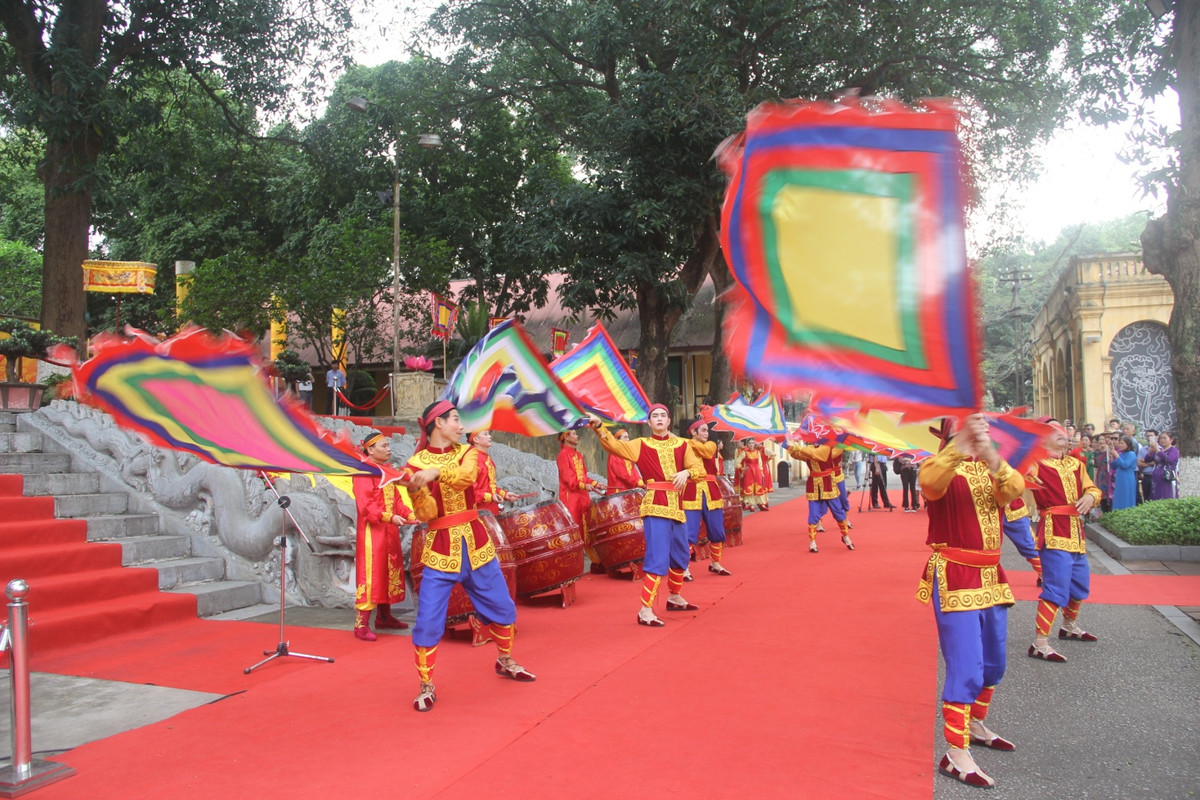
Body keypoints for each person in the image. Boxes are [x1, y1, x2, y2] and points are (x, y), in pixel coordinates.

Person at [402, 400, 536, 712]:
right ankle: (426, 684)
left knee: (501, 606)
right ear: (439, 423)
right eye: (456, 420)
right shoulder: (413, 464)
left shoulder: (467, 453)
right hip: (439, 550)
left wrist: (434, 472)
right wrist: (415, 489)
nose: (461, 427)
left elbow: (466, 479)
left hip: (476, 543)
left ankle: (505, 659)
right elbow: (427, 514)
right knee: (428, 618)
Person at [917, 414, 1024, 790]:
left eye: (985, 429)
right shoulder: (938, 466)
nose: (983, 434)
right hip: (956, 576)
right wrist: (961, 445)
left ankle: (975, 724)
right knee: (967, 667)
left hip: (993, 577)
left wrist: (992, 457)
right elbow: (929, 484)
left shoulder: (991, 469)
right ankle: (955, 751)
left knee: (994, 665)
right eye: (974, 428)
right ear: (952, 434)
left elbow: (1014, 489)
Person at [587, 405, 704, 627]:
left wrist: (688, 472)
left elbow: (698, 468)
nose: (659, 419)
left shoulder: (683, 444)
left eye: (663, 415)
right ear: (649, 423)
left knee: (681, 555)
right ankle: (645, 610)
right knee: (657, 557)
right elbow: (613, 445)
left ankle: (674, 596)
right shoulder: (641, 444)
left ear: (669, 421)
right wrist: (599, 426)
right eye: (654, 416)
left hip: (677, 507)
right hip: (655, 506)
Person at [1025, 419, 1102, 663]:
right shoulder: (1035, 464)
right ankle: (1040, 642)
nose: (1062, 435)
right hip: (1054, 531)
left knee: (1079, 585)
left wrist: (1091, 496)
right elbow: (1019, 481)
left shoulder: (1076, 464)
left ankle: (1069, 625)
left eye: (1063, 432)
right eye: (1054, 432)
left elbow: (1093, 489)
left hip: (1076, 533)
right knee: (1055, 588)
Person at [352, 432, 415, 641]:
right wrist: (389, 517)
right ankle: (361, 624)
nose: (389, 449)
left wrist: (409, 514)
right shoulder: (363, 472)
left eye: (388, 445)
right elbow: (366, 507)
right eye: (384, 446)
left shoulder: (385, 472)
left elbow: (396, 499)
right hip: (373, 533)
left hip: (389, 531)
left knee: (388, 572)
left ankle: (384, 616)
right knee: (372, 574)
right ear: (370, 450)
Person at [786, 434, 854, 553]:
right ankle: (812, 542)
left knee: (838, 511)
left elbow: (818, 455)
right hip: (814, 485)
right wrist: (788, 443)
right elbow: (796, 454)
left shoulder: (830, 447)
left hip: (828, 483)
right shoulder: (811, 449)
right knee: (813, 513)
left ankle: (845, 536)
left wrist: (796, 447)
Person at [681, 419, 732, 576]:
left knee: (716, 529)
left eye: (707, 430)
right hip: (691, 491)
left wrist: (682, 441)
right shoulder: (683, 447)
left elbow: (705, 452)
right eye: (702, 430)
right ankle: (684, 568)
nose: (706, 433)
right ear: (693, 432)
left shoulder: (711, 445)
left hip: (711, 491)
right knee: (689, 532)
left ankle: (716, 563)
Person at [557, 428, 603, 531]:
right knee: (576, 527)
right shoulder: (563, 455)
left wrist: (596, 484)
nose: (577, 436)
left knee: (588, 526)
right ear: (566, 437)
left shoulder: (578, 455)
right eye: (574, 434)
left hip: (583, 497)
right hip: (571, 499)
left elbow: (584, 476)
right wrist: (584, 485)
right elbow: (568, 478)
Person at [469, 430, 509, 516]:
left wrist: (505, 494)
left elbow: (489, 487)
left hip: (490, 510)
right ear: (476, 439)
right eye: (485, 434)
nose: (490, 436)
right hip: (479, 513)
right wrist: (490, 497)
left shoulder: (487, 458)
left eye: (489, 434)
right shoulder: (472, 459)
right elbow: (470, 492)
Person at [605, 429, 644, 493]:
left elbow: (633, 469)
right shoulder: (614, 455)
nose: (628, 440)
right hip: (618, 493)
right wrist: (639, 483)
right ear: (617, 440)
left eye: (628, 437)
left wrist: (640, 481)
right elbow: (623, 475)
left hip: (628, 490)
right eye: (625, 437)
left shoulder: (625, 453)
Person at [736, 438, 767, 511]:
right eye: (750, 443)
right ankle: (751, 504)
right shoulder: (744, 452)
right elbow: (737, 462)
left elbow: (760, 463)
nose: (751, 445)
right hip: (749, 471)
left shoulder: (757, 452)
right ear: (747, 444)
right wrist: (742, 468)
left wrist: (761, 472)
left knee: (759, 487)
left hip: (757, 471)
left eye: (753, 443)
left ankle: (761, 503)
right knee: (749, 488)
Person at [1110, 435, 1139, 511]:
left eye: (1122, 443)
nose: (1120, 445)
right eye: (1119, 443)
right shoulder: (1121, 454)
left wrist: (1116, 456)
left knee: (1126, 496)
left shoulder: (1131, 454)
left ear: (1128, 444)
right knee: (1119, 496)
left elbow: (1125, 465)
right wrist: (1112, 458)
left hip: (1127, 478)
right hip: (1120, 478)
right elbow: (1114, 466)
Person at [1151, 432, 1180, 500]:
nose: (1162, 440)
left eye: (1164, 438)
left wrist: (1158, 450)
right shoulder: (1159, 450)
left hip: (1167, 478)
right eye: (1161, 438)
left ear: (1171, 440)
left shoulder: (1174, 450)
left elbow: (1169, 459)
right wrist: (1151, 451)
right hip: (1156, 478)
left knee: (1166, 495)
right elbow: (1148, 459)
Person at [1136, 429, 1160, 504]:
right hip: (1146, 476)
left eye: (1151, 436)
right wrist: (1150, 463)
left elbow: (1158, 461)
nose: (1149, 438)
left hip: (1157, 477)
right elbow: (1138, 463)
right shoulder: (1143, 450)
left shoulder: (1161, 449)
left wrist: (1145, 462)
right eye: (1147, 436)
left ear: (1157, 437)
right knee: (1146, 498)